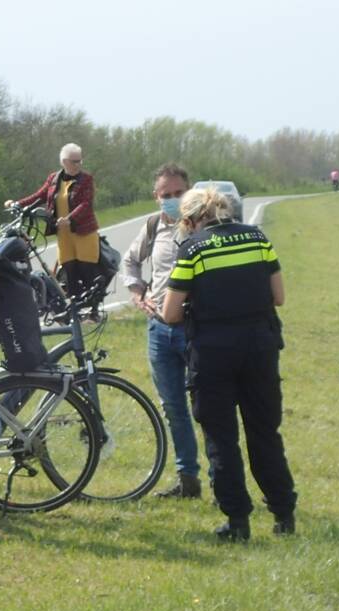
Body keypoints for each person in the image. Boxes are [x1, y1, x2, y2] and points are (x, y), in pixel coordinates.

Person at [159, 187, 296, 541]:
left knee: (221, 438)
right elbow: (278, 297)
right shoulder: (256, 238)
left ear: (190, 220)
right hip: (260, 347)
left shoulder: (194, 249)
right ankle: (284, 514)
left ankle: (237, 522)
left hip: (213, 352)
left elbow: (170, 313)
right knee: (265, 433)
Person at [121, 163, 204, 498]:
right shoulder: (154, 225)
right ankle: (188, 480)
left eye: (178, 193)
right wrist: (137, 292)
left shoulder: (203, 227)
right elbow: (130, 261)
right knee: (173, 407)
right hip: (159, 331)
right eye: (165, 195)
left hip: (196, 330)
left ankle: (224, 477)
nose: (172, 200)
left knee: (207, 406)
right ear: (156, 197)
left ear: (190, 191)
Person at [7, 143, 100, 301]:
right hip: (63, 234)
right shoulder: (53, 179)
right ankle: (76, 309)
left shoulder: (86, 179)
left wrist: (70, 218)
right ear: (64, 162)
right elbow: (39, 196)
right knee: (69, 270)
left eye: (80, 161)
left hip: (83, 231)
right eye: (75, 161)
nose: (79, 164)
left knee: (86, 269)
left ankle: (94, 308)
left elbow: (85, 203)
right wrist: (17, 204)